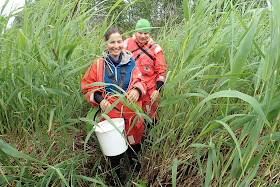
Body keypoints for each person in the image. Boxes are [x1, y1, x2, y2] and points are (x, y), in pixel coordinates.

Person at [81, 28, 146, 184]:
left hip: (131, 113)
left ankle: (135, 172)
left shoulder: (131, 62)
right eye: (112, 42)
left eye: (119, 42)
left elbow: (140, 81)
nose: (116, 46)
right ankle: (115, 177)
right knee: (114, 151)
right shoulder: (98, 65)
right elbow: (88, 87)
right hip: (110, 113)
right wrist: (100, 100)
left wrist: (137, 90)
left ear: (123, 43)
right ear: (106, 43)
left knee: (133, 145)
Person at [124, 19, 167, 124]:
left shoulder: (156, 49)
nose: (142, 36)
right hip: (131, 86)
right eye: (140, 33)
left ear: (149, 33)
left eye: (145, 33)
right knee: (131, 114)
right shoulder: (126, 44)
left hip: (149, 89)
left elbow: (161, 72)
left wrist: (158, 90)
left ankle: (150, 135)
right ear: (135, 32)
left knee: (150, 115)